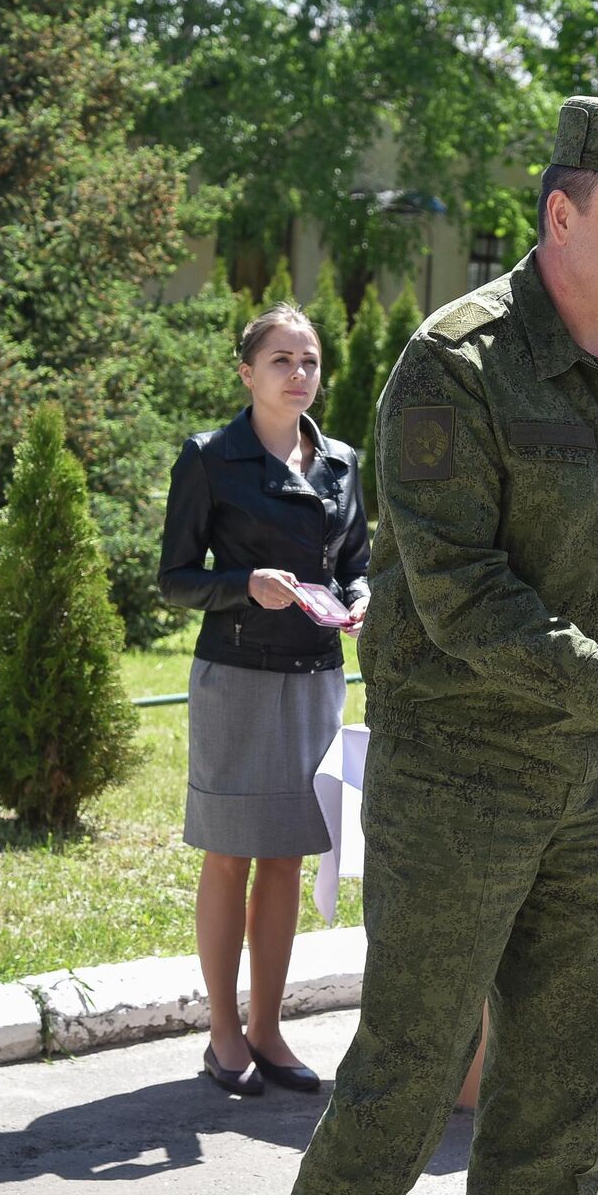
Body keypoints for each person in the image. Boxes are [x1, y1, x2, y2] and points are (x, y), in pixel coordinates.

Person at [271, 96, 598, 1195]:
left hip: (593, 790)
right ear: (559, 212)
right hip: (461, 782)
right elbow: (458, 591)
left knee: (558, 1101)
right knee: (404, 1085)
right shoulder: (458, 363)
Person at [157, 303, 371, 1097]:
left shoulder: (344, 462)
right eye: (281, 360)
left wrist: (361, 599)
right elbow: (173, 580)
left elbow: (358, 560)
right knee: (231, 852)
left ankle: (268, 1029)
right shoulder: (212, 458)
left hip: (316, 677)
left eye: (310, 360)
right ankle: (223, 1033)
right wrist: (243, 586)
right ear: (247, 371)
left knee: (287, 853)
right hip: (238, 680)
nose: (299, 374)